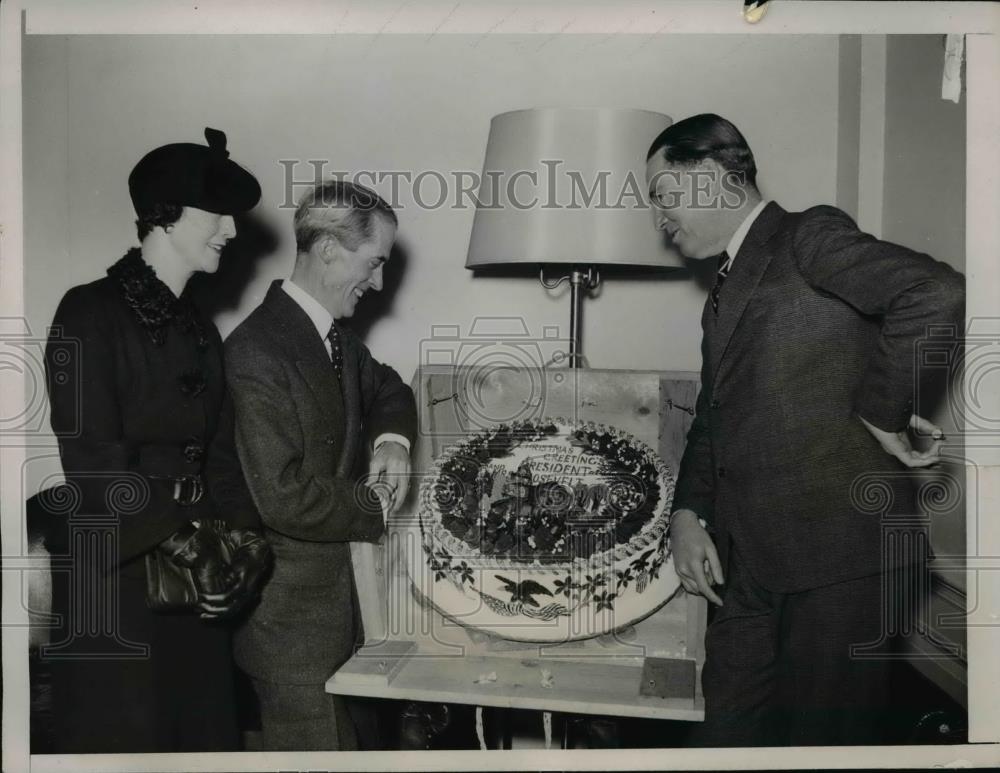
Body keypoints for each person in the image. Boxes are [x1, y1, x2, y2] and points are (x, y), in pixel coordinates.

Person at [644, 113, 965, 746]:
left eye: (661, 194)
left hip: (840, 562)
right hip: (749, 568)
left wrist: (882, 413)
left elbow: (935, 291)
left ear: (709, 177)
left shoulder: (805, 235)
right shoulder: (726, 284)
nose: (658, 219)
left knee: (823, 751)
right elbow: (714, 416)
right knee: (723, 743)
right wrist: (687, 516)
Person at [38, 127, 272, 753]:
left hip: (197, 582)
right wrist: (188, 540)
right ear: (164, 218)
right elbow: (92, 463)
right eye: (216, 214)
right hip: (114, 582)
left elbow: (220, 459)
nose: (231, 229)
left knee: (201, 743)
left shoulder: (202, 330)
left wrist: (246, 541)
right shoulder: (86, 312)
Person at [225, 179, 417, 750]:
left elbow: (389, 388)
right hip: (292, 635)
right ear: (329, 248)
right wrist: (377, 505)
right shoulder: (256, 352)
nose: (379, 283)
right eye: (374, 262)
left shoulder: (334, 339)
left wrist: (392, 445)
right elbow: (282, 495)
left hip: (348, 619)